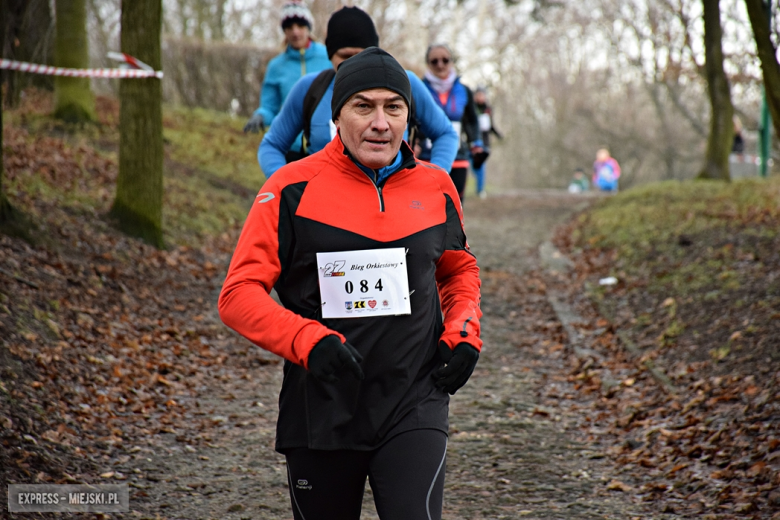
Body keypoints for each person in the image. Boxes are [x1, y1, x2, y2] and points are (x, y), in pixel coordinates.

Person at [219, 47, 482, 520]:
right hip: (321, 407)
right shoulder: (289, 188)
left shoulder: (436, 186)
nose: (380, 122)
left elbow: (458, 269)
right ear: (336, 116)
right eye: (364, 106)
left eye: (393, 107)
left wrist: (462, 331)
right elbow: (238, 295)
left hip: (413, 401)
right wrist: (307, 340)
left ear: (409, 117)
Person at [258, 6, 459, 177]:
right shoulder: (310, 88)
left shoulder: (405, 83)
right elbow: (271, 146)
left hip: (391, 209)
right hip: (324, 212)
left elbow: (445, 133)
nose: (353, 65)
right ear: (330, 55)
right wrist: (291, 189)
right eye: (345, 57)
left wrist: (433, 180)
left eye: (361, 55)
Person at [243, 1, 331, 157]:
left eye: (300, 26)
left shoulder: (328, 57)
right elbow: (270, 106)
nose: (295, 32)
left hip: (325, 147)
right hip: (292, 149)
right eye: (289, 27)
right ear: (284, 31)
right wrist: (261, 115)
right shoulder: (276, 66)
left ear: (308, 28)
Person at [418, 43, 483, 202]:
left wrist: (476, 142)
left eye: (445, 60)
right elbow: (409, 118)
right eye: (434, 61)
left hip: (458, 156)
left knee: (455, 204)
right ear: (428, 64)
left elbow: (472, 120)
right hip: (427, 158)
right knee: (429, 205)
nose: (440, 64)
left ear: (452, 62)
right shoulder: (419, 87)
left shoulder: (464, 90)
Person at [471, 86, 502, 199]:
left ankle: (480, 189)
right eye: (478, 94)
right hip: (472, 141)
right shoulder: (471, 108)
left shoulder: (488, 109)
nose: (480, 97)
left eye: (482, 94)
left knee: (481, 165)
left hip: (484, 142)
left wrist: (498, 135)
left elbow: (490, 125)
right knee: (472, 165)